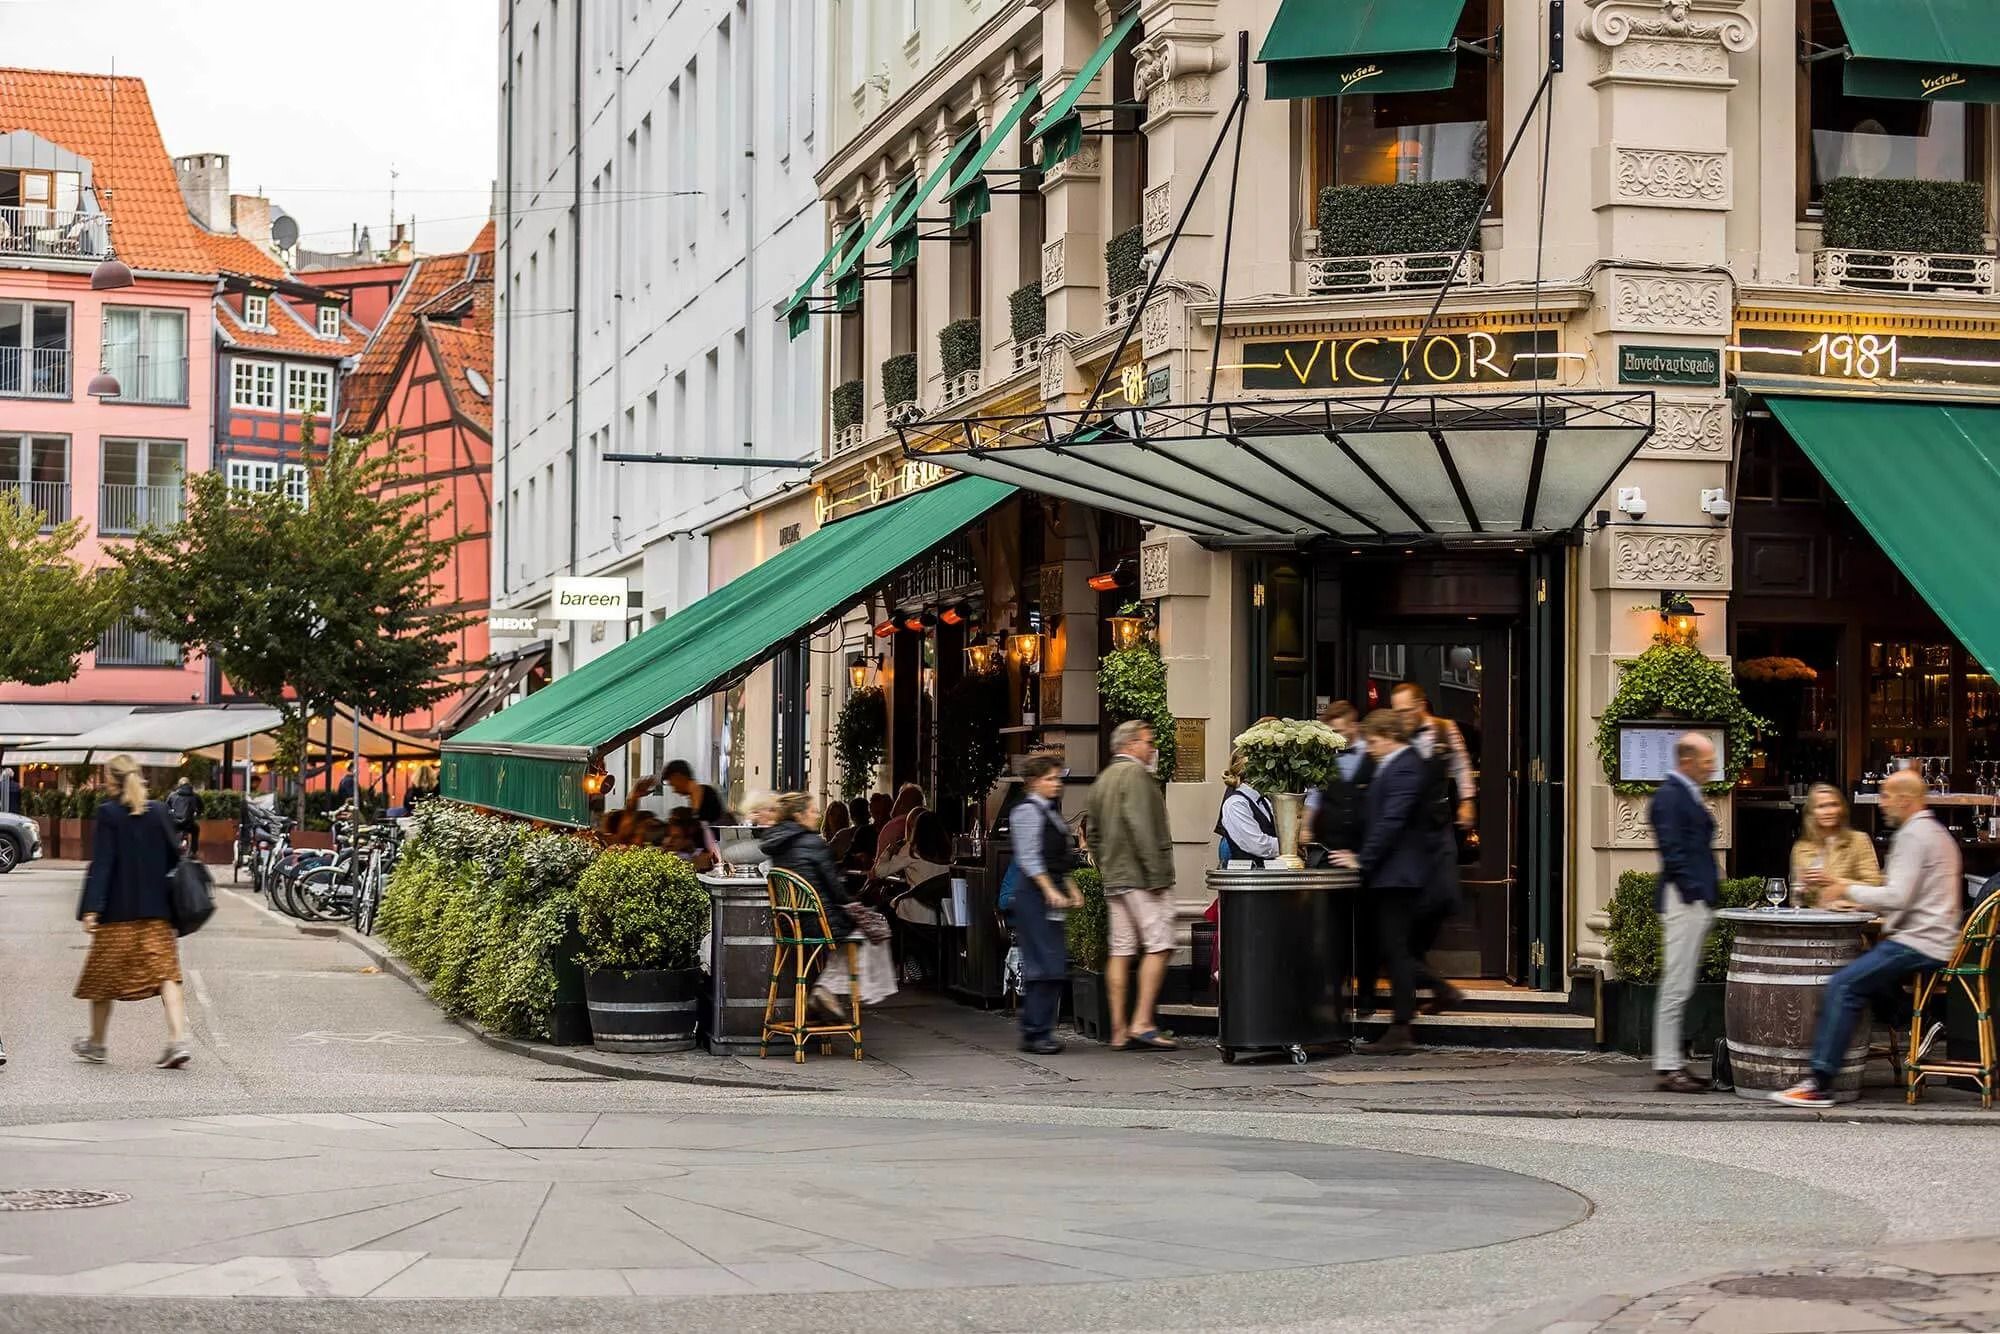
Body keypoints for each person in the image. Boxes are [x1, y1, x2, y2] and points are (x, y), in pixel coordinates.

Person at [1771, 769, 1963, 1108]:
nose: (1882, 803)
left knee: (1843, 985)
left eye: (1886, 795)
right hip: (1932, 939)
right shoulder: (1936, 833)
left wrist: (1844, 886)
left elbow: (1897, 896)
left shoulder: (1913, 836)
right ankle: (1924, 1021)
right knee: (1860, 977)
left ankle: (1819, 1083)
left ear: (1905, 799)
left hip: (1918, 942)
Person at [1335, 710, 1455, 1053]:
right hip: (1393, 873)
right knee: (1394, 948)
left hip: (1399, 875)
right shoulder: (1394, 763)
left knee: (1395, 949)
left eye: (1373, 741)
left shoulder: (1404, 766)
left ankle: (1404, 1025)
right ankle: (1423, 1006)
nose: (1369, 748)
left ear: (1389, 736)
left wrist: (1362, 859)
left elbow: (1391, 821)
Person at [73, 754, 192, 1070]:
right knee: (167, 976)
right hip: (157, 914)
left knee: (102, 980)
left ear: (112, 780)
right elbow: (174, 856)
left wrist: (91, 909)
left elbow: (103, 864)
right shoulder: (157, 812)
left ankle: (97, 1043)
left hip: (117, 915)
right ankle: (178, 1040)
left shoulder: (109, 814)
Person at [1085, 718, 1178, 1051]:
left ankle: (1119, 1030)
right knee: (1160, 944)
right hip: (1141, 876)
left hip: (1115, 877)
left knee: (1121, 950)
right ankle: (1142, 1021)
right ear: (1130, 745)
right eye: (1147, 741)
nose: (1151, 747)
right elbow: (1141, 827)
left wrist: (1107, 865)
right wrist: (1156, 875)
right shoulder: (1136, 775)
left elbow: (1091, 834)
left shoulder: (1103, 779)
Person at [760, 791, 894, 1018]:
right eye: (812, 811)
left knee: (854, 934)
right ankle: (828, 988)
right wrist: (856, 905)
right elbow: (836, 891)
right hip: (820, 923)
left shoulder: (777, 845)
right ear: (799, 815)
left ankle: (826, 989)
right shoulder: (813, 843)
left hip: (790, 924)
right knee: (870, 930)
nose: (817, 815)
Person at [1650, 733, 1720, 1094]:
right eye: (1708, 762)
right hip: (1682, 901)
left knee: (1681, 985)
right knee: (1675, 987)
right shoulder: (1669, 796)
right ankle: (1667, 1066)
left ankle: (1672, 1063)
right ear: (1689, 761)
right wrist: (1695, 894)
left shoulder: (1686, 793)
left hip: (1692, 900)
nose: (1712, 768)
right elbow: (1673, 852)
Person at [1008, 754, 1082, 1054]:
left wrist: (1071, 886)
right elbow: (1029, 857)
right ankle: (1035, 1031)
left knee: (1052, 961)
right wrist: (1050, 888)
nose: (1057, 784)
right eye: (1050, 778)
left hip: (1049, 890)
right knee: (1043, 962)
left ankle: (1038, 1028)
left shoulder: (1050, 812)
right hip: (1033, 894)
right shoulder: (1026, 812)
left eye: (1057, 778)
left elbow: (1060, 857)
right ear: (1034, 782)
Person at [1391, 682, 1475, 833]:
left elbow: (1461, 766)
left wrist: (1467, 801)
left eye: (1406, 711)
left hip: (1438, 819)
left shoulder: (1445, 728)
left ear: (1421, 706)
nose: (1402, 718)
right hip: (1404, 822)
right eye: (1397, 713)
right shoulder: (1393, 735)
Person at [1790, 783, 1882, 895]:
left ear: (1842, 809)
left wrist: (1834, 881)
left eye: (1833, 805)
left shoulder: (1858, 840)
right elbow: (1796, 894)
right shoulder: (1801, 848)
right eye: (1821, 806)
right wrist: (1803, 887)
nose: (1828, 811)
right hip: (1814, 911)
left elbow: (1875, 886)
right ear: (1811, 813)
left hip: (1850, 911)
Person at [1214, 753, 1278, 867]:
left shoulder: (1264, 801)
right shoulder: (1236, 803)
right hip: (1248, 878)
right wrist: (1287, 847)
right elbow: (1257, 845)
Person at [873, 784, 925, 863]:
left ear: (900, 804)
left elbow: (878, 868)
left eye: (898, 800)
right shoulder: (928, 825)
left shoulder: (893, 827)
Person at [165, 776, 202, 858]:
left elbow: (166, 808)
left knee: (169, 831)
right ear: (189, 785)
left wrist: (171, 813)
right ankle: (193, 851)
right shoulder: (195, 796)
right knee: (196, 829)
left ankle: (169, 849)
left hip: (175, 823)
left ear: (179, 785)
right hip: (188, 823)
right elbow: (201, 808)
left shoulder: (172, 795)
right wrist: (197, 814)